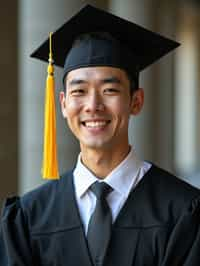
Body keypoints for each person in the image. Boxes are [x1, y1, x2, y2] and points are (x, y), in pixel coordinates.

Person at [0, 4, 200, 266]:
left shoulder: (183, 211)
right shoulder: (28, 216)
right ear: (63, 104)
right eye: (79, 91)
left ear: (136, 101)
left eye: (110, 90)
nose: (93, 105)